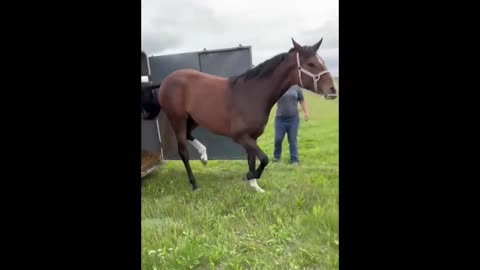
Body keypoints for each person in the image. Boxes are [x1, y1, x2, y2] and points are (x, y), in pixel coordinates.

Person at [273, 85, 309, 165]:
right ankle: (276, 157)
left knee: (292, 139)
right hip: (280, 118)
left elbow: (302, 100)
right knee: (278, 139)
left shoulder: (296, 88)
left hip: (293, 119)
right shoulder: (279, 86)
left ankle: (294, 159)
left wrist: (306, 112)